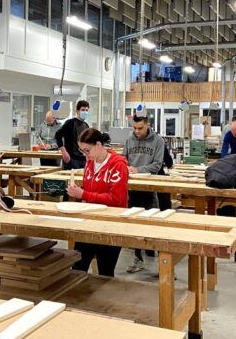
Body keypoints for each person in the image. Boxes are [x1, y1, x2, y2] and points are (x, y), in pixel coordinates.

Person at [66, 128, 128, 277]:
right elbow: (91, 190)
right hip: (89, 221)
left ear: (99, 145)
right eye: (82, 151)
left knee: (105, 271)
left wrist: (84, 194)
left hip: (111, 223)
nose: (85, 155)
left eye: (87, 150)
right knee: (78, 267)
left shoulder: (118, 165)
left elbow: (117, 199)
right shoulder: (90, 162)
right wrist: (79, 192)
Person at [122, 115, 164, 273]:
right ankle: (138, 258)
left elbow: (157, 165)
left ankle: (163, 264)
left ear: (147, 125)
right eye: (134, 128)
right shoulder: (129, 140)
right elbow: (123, 159)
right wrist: (125, 167)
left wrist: (138, 170)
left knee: (154, 224)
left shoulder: (158, 141)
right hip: (132, 188)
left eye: (140, 128)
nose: (137, 131)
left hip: (149, 188)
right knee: (134, 225)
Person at [55, 100, 90, 170]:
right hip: (72, 158)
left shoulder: (86, 125)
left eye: (86, 110)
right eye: (83, 110)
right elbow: (58, 135)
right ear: (77, 111)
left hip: (83, 159)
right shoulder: (70, 123)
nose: (85, 112)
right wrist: (64, 152)